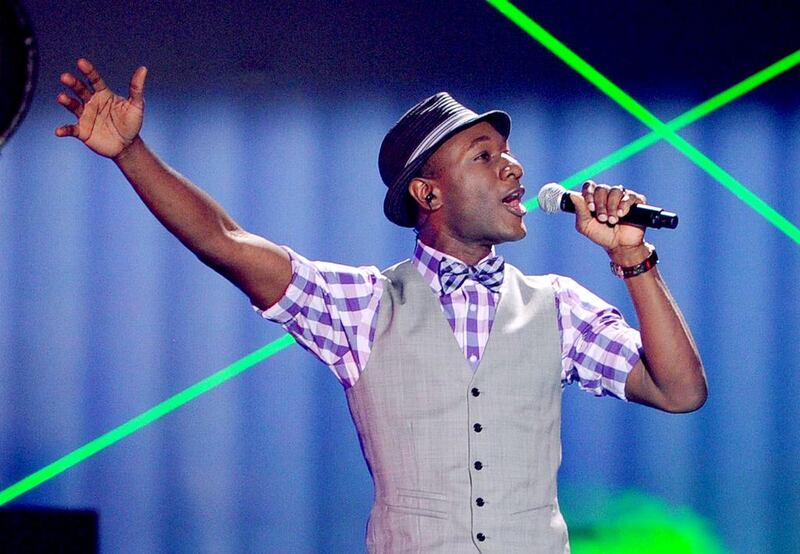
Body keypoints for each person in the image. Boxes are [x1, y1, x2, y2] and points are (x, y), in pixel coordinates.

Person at [55, 59, 707, 553]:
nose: (513, 169)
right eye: (485, 157)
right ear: (428, 192)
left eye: (509, 156)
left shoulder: (557, 306)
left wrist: (632, 255)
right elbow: (223, 242)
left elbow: (679, 391)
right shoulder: (363, 305)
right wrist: (132, 155)